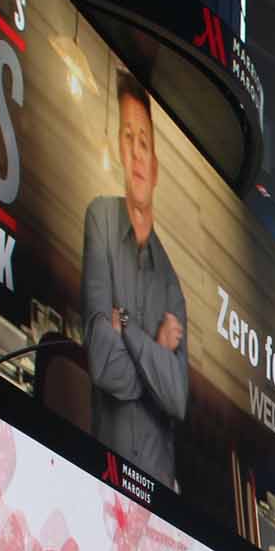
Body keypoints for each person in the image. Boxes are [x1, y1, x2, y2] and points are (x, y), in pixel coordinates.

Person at [81, 71, 189, 490]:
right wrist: (156, 350)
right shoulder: (102, 220)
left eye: (145, 142)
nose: (138, 152)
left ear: (156, 165)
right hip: (104, 479)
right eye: (129, 138)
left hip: (162, 495)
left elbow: (177, 399)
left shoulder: (172, 285)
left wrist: (124, 328)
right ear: (119, 150)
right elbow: (104, 367)